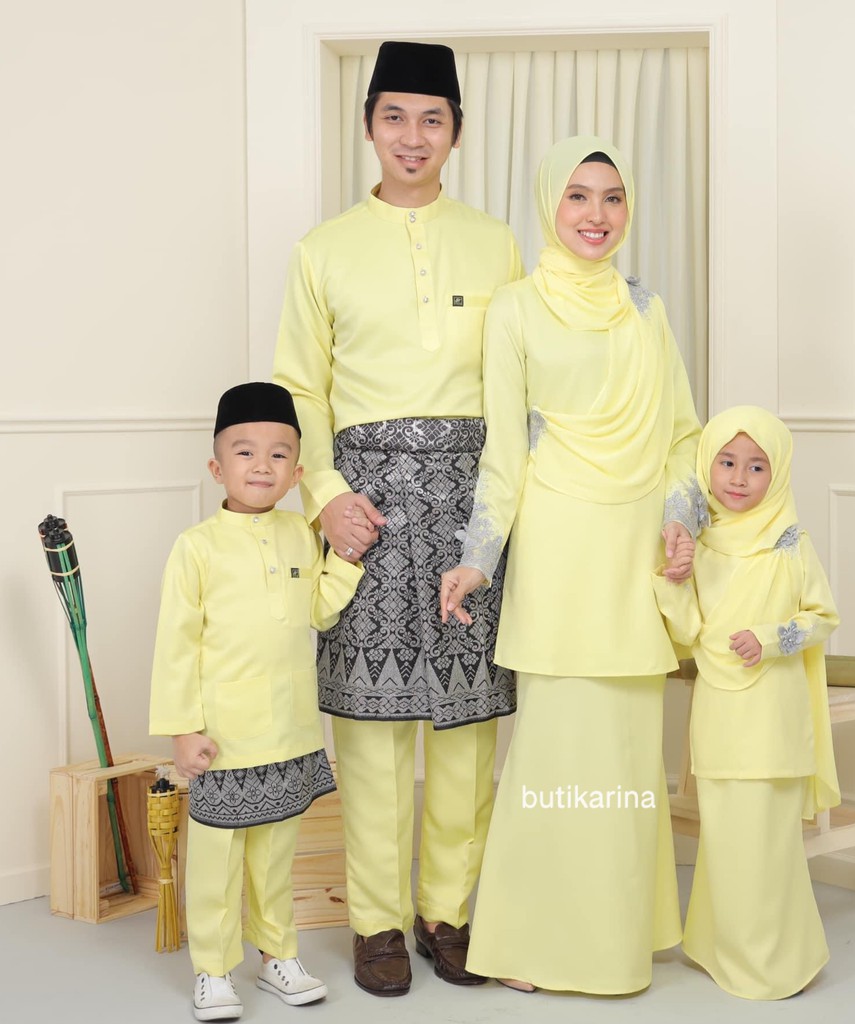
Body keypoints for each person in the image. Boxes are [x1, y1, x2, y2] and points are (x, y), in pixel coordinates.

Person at [272, 41, 523, 996]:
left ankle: (447, 914)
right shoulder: (322, 249)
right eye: (394, 117)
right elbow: (301, 388)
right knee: (371, 731)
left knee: (465, 729)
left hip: (471, 509)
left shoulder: (497, 243)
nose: (412, 137)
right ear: (369, 125)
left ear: (456, 132)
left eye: (432, 119)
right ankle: (375, 922)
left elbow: (515, 387)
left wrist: (496, 520)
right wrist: (326, 494)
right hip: (365, 510)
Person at [440, 135, 704, 994]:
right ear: (550, 205)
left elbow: (683, 435)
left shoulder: (646, 308)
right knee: (555, 757)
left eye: (613, 197)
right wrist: (478, 559)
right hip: (559, 553)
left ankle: (618, 936)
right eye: (579, 197)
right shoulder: (515, 308)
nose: (597, 215)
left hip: (633, 554)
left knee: (625, 757)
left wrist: (680, 521)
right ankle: (530, 944)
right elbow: (503, 454)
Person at [149, 382, 363, 1021]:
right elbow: (175, 647)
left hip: (290, 730)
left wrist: (346, 559)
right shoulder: (196, 547)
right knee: (217, 862)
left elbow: (320, 611)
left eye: (278, 454)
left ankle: (277, 955)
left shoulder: (301, 534)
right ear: (217, 467)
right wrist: (183, 730)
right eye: (244, 452)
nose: (261, 466)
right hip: (223, 736)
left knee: (274, 858)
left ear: (297, 473)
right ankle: (213, 969)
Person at [652, 405, 841, 1000]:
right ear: (707, 467)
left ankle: (777, 963)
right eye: (727, 462)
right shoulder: (701, 544)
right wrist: (673, 580)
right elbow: (688, 631)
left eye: (756, 466)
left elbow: (822, 617)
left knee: (769, 845)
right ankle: (718, 950)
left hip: (773, 721)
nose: (739, 478)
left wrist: (769, 638)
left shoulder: (791, 544)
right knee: (727, 841)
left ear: (777, 472)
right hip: (720, 717)